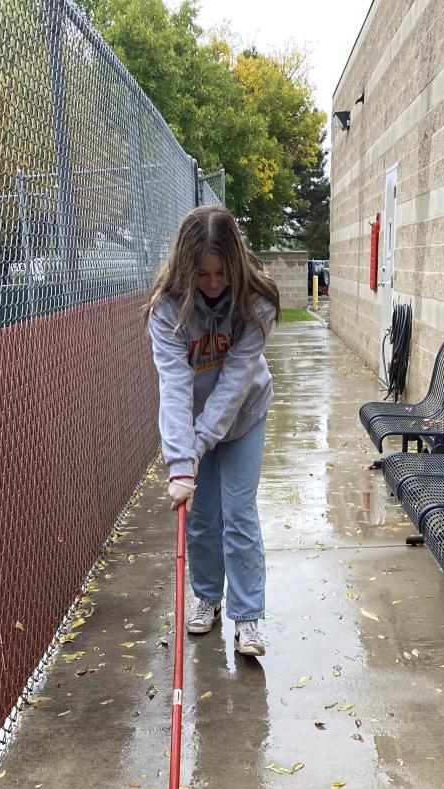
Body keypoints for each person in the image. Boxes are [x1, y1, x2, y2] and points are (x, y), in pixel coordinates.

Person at [147, 206, 280, 657]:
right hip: (192, 422)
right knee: (202, 517)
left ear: (236, 264)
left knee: (238, 513)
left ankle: (248, 617)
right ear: (186, 268)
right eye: (202, 274)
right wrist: (181, 462)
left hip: (244, 416)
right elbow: (174, 385)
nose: (213, 283)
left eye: (222, 273)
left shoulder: (256, 302)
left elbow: (234, 386)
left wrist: (197, 448)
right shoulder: (168, 309)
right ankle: (207, 596)